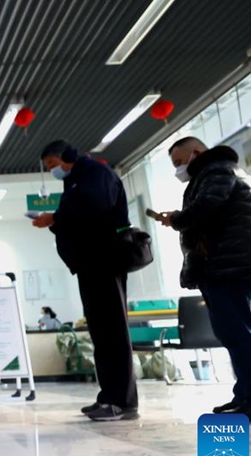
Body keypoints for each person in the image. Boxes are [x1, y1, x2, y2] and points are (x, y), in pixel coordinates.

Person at [32, 139, 139, 421]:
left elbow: (93, 210)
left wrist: (54, 218)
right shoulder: (77, 180)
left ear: (68, 156)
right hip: (90, 263)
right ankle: (109, 396)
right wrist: (56, 221)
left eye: (53, 165)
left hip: (106, 259)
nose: (53, 171)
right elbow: (77, 218)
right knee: (101, 332)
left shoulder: (96, 174)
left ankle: (123, 402)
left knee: (113, 331)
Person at [158, 137, 251, 417]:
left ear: (196, 153)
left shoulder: (217, 171)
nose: (178, 169)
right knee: (232, 333)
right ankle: (244, 394)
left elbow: (208, 205)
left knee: (237, 333)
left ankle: (250, 398)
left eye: (179, 162)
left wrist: (177, 218)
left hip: (227, 266)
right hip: (221, 266)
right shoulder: (212, 174)